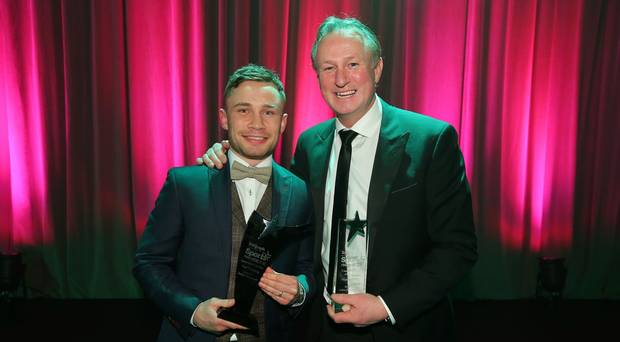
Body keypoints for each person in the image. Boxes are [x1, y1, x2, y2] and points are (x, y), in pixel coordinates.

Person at [199, 16, 477, 341]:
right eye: (328, 68)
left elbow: (458, 249)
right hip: (322, 326)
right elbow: (285, 221)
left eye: (353, 64)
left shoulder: (431, 140)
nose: (341, 79)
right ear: (318, 77)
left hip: (403, 326)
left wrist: (385, 306)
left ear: (377, 70)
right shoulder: (309, 145)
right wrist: (229, 158)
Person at [134, 64, 315, 342]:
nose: (257, 123)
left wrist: (300, 290)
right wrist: (192, 310)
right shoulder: (184, 184)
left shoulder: (300, 190)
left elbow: (306, 267)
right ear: (224, 118)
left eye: (268, 112)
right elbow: (149, 263)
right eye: (243, 110)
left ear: (283, 122)